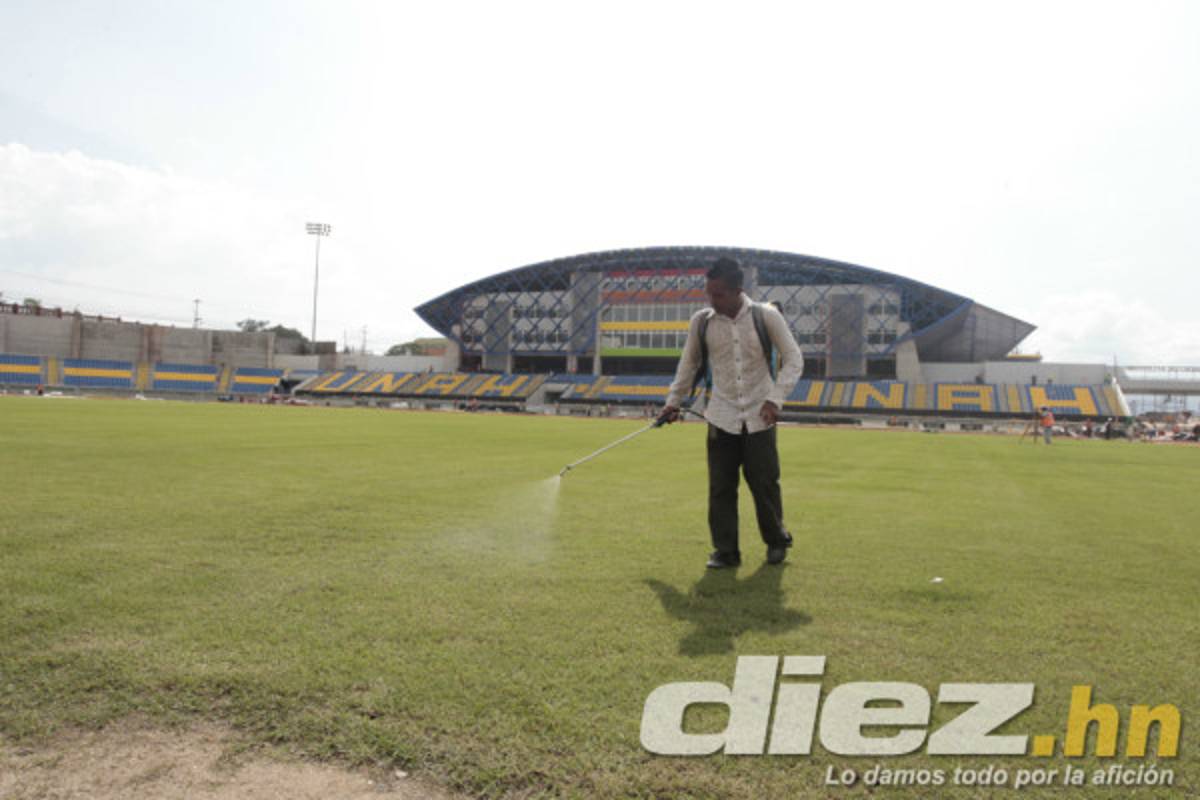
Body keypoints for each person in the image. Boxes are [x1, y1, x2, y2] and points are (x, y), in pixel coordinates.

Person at [659, 257, 804, 568]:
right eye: (709, 294)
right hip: (720, 416)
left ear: (738, 290)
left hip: (760, 416)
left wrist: (775, 399)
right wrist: (673, 402)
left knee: (764, 484)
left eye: (719, 294)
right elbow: (689, 365)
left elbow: (794, 358)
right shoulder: (702, 322)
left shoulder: (767, 317)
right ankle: (726, 551)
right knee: (721, 488)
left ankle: (776, 542)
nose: (712, 300)